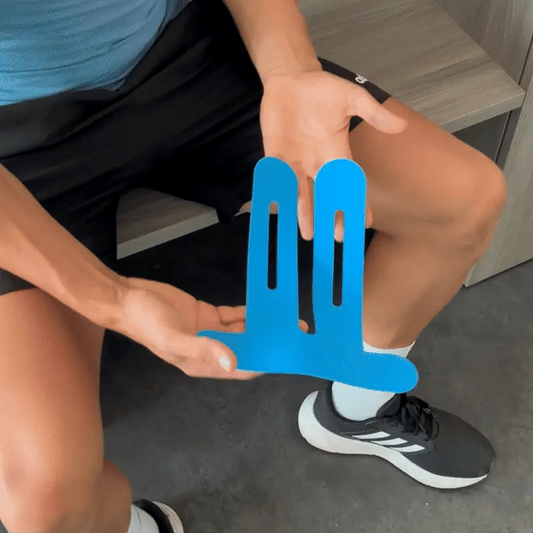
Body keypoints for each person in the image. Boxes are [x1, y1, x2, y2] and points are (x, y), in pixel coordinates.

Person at [0, 0, 507, 531]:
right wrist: (115, 300)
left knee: (465, 201)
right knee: (42, 500)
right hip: (15, 153)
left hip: (185, 55)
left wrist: (290, 70)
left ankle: (360, 410)